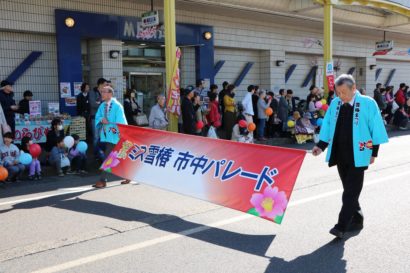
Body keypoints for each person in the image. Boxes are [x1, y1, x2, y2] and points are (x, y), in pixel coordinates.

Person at [312, 74, 388, 239]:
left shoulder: (368, 103)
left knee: (350, 193)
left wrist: (373, 152)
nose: (341, 96)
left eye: (344, 92)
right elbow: (328, 125)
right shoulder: (335, 103)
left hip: (359, 154)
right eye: (338, 92)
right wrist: (321, 146)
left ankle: (341, 226)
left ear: (354, 88)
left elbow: (376, 128)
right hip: (340, 154)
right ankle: (357, 219)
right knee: (349, 190)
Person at [93, 86, 128, 188]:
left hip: (117, 136)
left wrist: (118, 130)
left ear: (110, 94)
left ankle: (102, 180)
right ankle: (128, 176)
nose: (102, 94)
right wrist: (101, 119)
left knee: (109, 157)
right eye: (101, 92)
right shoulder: (102, 105)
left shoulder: (117, 106)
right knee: (119, 157)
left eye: (104, 92)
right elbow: (98, 116)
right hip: (108, 135)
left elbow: (121, 122)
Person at [89, 78, 106, 161]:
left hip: (104, 119)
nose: (106, 86)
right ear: (100, 84)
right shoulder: (92, 92)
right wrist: (102, 103)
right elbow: (93, 104)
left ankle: (101, 152)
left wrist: (100, 103)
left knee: (102, 136)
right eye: (104, 84)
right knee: (96, 136)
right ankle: (96, 154)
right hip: (95, 118)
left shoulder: (105, 92)